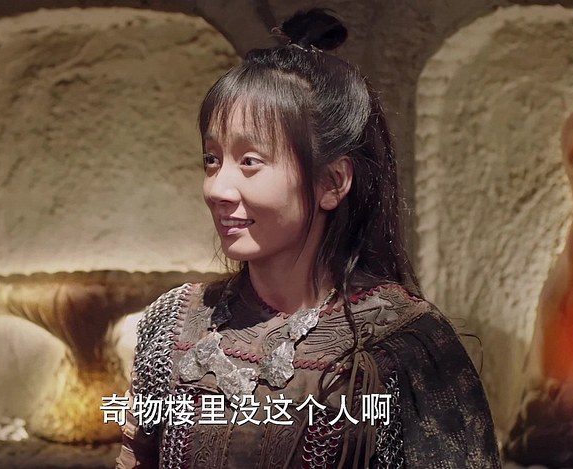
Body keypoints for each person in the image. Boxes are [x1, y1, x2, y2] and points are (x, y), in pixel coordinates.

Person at [116, 9, 500, 468]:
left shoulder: (404, 345)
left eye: (250, 161)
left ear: (332, 182)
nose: (218, 188)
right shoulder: (175, 323)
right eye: (212, 159)